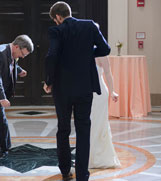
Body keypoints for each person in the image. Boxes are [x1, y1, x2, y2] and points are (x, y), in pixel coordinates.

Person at [43, 1, 110, 180]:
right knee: (83, 130)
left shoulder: (56, 30)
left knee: (63, 129)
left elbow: (51, 56)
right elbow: (105, 48)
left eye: (55, 20)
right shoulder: (89, 26)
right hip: (84, 87)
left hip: (62, 89)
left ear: (58, 17)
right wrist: (87, 53)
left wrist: (49, 81)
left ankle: (65, 170)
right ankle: (82, 175)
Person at [87, 23, 121, 169]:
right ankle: (88, 155)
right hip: (86, 92)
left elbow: (108, 73)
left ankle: (99, 157)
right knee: (87, 124)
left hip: (99, 92)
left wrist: (113, 91)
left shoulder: (101, 52)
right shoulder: (83, 50)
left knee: (98, 124)